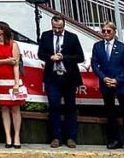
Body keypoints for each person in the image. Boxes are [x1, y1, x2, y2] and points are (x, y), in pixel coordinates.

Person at [37, 14, 82, 148]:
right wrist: (50, 57)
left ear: (64, 26)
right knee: (54, 106)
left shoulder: (72, 37)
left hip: (69, 77)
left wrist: (64, 57)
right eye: (54, 27)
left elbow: (80, 57)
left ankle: (71, 137)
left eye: (59, 28)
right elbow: (40, 54)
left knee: (70, 107)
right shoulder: (45, 36)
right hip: (53, 77)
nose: (57, 30)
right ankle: (55, 137)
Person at [92, 21, 124, 151]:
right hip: (106, 84)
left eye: (108, 31)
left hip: (121, 85)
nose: (105, 33)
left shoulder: (122, 47)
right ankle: (115, 140)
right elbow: (94, 64)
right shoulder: (97, 46)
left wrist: (117, 80)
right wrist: (104, 78)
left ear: (114, 32)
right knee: (110, 114)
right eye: (103, 31)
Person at [0, 21, 23, 148]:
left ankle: (17, 136)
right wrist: (6, 60)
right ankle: (8, 136)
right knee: (4, 108)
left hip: (11, 79)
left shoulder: (13, 45)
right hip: (0, 79)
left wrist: (16, 84)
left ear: (3, 30)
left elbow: (16, 65)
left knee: (15, 108)